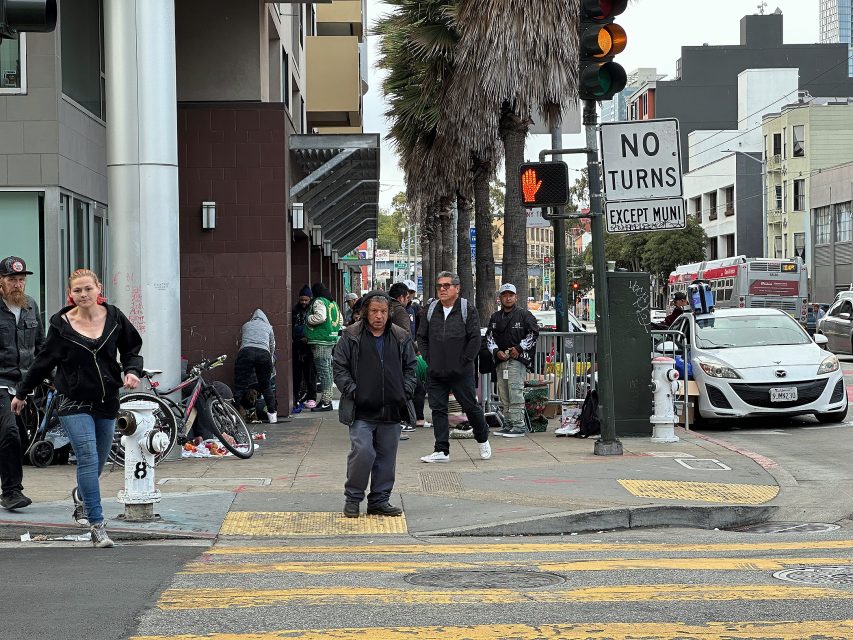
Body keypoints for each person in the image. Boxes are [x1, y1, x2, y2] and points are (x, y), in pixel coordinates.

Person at [11, 269, 142, 548]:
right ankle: (98, 525)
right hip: (72, 400)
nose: (83, 295)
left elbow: (132, 347)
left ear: (98, 289)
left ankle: (82, 498)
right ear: (71, 294)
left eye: (88, 289)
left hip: (107, 399)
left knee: (99, 460)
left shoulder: (115, 317)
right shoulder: (61, 324)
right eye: (77, 291)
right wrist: (22, 392)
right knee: (87, 456)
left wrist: (131, 370)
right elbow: (44, 360)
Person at [332, 291, 416, 518]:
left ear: (389, 313)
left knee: (387, 458)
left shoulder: (400, 336)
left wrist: (405, 391)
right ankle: (353, 497)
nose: (379, 316)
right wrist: (353, 391)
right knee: (363, 452)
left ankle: (379, 500)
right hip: (361, 410)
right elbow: (339, 368)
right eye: (374, 311)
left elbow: (411, 368)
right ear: (365, 313)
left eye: (383, 311)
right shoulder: (350, 336)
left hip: (391, 409)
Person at [417, 271, 491, 463]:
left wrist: (464, 361)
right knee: (438, 410)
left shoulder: (467, 309)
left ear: (457, 288)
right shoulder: (431, 309)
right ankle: (441, 450)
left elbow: (475, 338)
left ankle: (482, 439)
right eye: (439, 285)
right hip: (436, 371)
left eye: (447, 285)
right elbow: (421, 336)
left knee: (470, 407)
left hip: (461, 371)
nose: (442, 289)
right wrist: (429, 358)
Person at [0, 256, 44, 511]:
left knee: (19, 440)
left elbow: (41, 346)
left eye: (21, 280)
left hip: (24, 385)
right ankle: (11, 492)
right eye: (12, 280)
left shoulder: (30, 306)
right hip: (1, 382)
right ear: (1, 282)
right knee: (9, 433)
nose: (18, 285)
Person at [485, 283, 539, 438]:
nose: (508, 298)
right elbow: (489, 337)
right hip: (501, 361)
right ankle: (508, 424)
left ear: (516, 297)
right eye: (504, 295)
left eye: (510, 295)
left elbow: (534, 333)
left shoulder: (525, 315)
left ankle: (519, 425)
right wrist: (496, 351)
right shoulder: (495, 317)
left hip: (517, 360)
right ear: (500, 298)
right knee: (504, 393)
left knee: (515, 392)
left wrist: (519, 348)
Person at [234, 309, 277, 424]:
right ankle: (272, 416)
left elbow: (240, 342)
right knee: (266, 386)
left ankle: (233, 415)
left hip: (246, 352)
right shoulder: (269, 327)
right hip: (264, 354)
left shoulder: (246, 325)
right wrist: (270, 359)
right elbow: (272, 345)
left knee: (239, 386)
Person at [305, 282, 342, 412]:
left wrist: (309, 318)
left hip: (320, 340)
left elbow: (321, 317)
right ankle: (327, 399)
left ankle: (326, 401)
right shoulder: (333, 303)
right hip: (331, 339)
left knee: (323, 371)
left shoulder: (319, 301)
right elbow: (340, 321)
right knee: (327, 370)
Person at [292, 285, 317, 410]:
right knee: (296, 374)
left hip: (309, 346)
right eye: (302, 299)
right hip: (297, 346)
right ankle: (296, 397)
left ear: (310, 299)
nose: (303, 302)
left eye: (306, 300)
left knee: (309, 373)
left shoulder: (312, 310)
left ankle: (311, 397)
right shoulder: (295, 310)